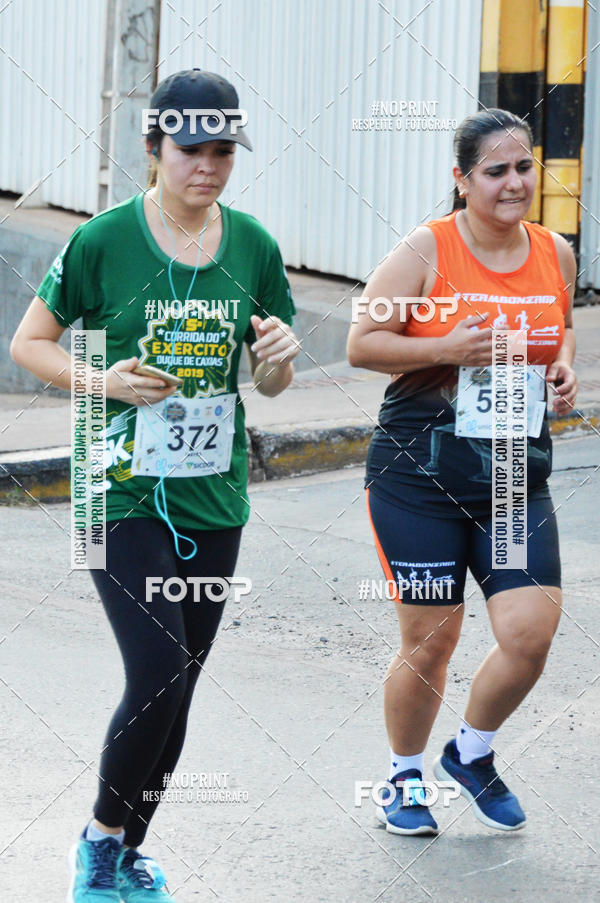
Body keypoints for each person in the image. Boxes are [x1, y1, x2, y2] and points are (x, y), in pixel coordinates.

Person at [10, 69, 299, 900]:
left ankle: (130, 849)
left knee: (182, 685)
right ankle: (98, 845)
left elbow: (269, 383)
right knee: (161, 670)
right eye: (190, 149)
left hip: (215, 495)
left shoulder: (253, 245)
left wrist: (276, 364)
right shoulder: (102, 239)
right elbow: (30, 343)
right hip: (118, 487)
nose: (207, 166)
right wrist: (105, 383)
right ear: (152, 147)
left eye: (222, 150)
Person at [347, 108, 577, 835]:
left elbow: (558, 325)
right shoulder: (429, 248)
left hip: (512, 470)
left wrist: (563, 368)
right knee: (432, 638)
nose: (514, 183)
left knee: (529, 632)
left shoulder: (556, 252)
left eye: (524, 167)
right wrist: (446, 346)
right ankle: (403, 777)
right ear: (462, 179)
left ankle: (471, 751)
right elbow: (362, 341)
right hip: (421, 473)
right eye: (496, 170)